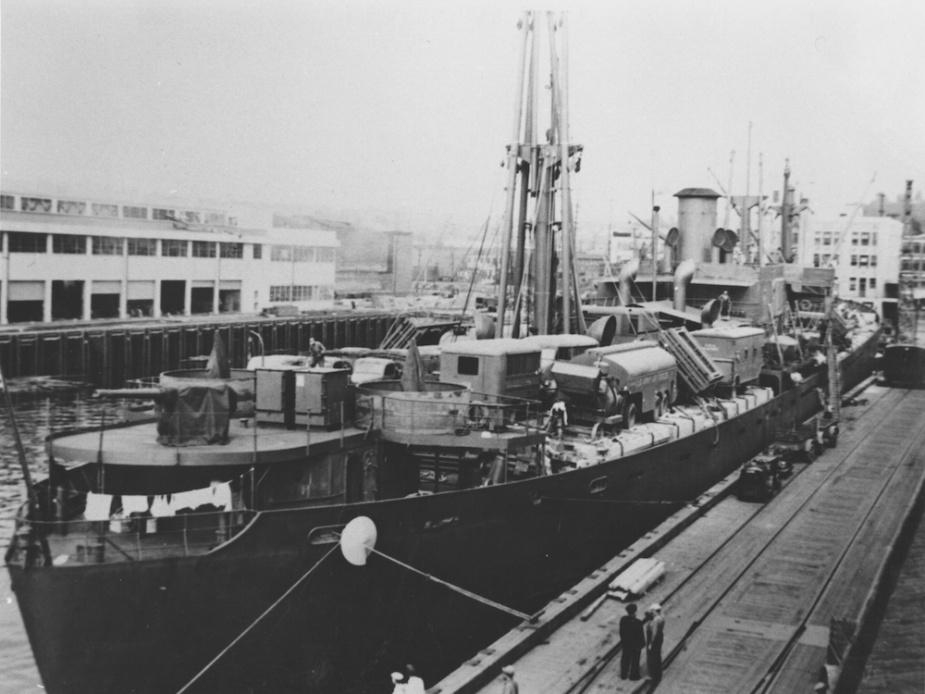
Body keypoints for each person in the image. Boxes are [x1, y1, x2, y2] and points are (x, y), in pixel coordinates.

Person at [619, 603, 645, 680]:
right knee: (635, 660)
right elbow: (641, 635)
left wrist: (623, 642)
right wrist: (642, 644)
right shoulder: (638, 622)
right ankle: (634, 676)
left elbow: (621, 632)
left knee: (625, 659)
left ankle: (623, 675)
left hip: (626, 644)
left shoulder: (623, 620)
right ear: (635, 612)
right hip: (635, 645)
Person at [646, 603, 665, 683]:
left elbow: (654, 632)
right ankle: (658, 673)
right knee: (657, 656)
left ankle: (654, 675)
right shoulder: (661, 618)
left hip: (655, 640)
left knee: (653, 657)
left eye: (652, 611)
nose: (651, 613)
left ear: (654, 611)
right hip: (660, 638)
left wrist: (650, 644)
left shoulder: (655, 620)